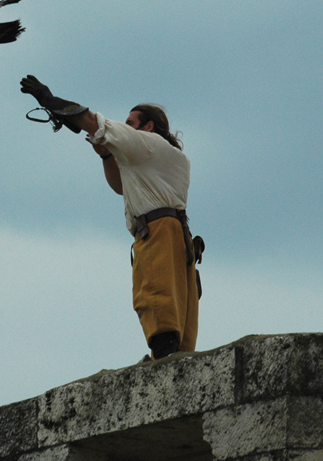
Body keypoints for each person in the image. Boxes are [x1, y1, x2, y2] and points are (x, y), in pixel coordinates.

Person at [21, 75, 199, 360]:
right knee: (165, 309)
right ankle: (166, 357)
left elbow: (95, 123)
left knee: (157, 300)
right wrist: (106, 156)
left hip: (159, 232)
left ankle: (165, 358)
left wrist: (50, 100)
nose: (127, 127)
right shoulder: (157, 157)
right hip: (166, 232)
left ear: (148, 126)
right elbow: (120, 187)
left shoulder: (149, 144)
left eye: (131, 123)